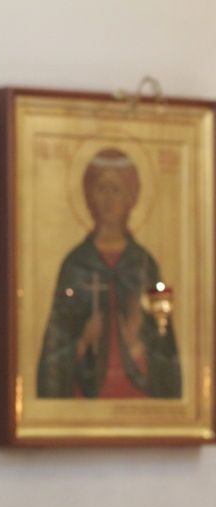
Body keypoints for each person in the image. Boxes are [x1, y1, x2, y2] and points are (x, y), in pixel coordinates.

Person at [36, 147, 181, 398]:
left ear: (130, 198)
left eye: (116, 189)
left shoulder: (143, 264)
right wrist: (82, 342)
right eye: (101, 188)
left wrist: (138, 344)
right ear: (89, 196)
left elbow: (164, 345)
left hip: (139, 394)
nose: (108, 199)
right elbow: (55, 348)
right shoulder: (75, 264)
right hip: (85, 397)